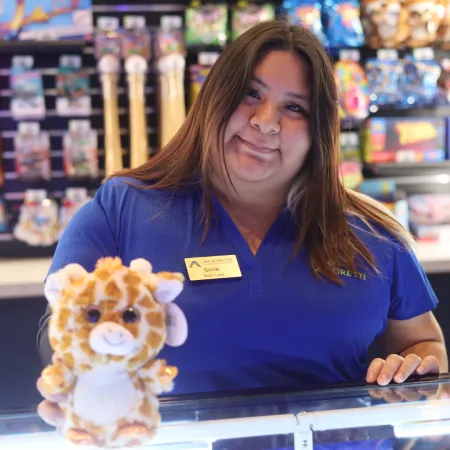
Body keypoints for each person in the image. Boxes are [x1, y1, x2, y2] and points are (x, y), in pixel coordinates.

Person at [37, 18, 447, 426]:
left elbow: (425, 343)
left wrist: (414, 372)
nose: (266, 122)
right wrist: (80, 380)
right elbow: (61, 328)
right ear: (214, 97)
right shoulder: (124, 207)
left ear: (320, 131)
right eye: (251, 94)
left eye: (294, 107)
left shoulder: (375, 235)